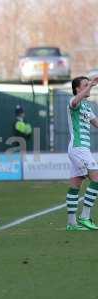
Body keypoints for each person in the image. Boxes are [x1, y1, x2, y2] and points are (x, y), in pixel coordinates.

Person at [65, 76, 98, 231]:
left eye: (90, 85)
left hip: (82, 148)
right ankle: (85, 216)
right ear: (78, 89)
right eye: (85, 85)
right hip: (78, 148)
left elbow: (97, 123)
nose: (89, 88)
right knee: (96, 179)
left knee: (75, 184)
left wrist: (89, 84)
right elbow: (74, 102)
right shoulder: (74, 103)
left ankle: (71, 223)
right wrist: (90, 84)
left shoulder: (86, 106)